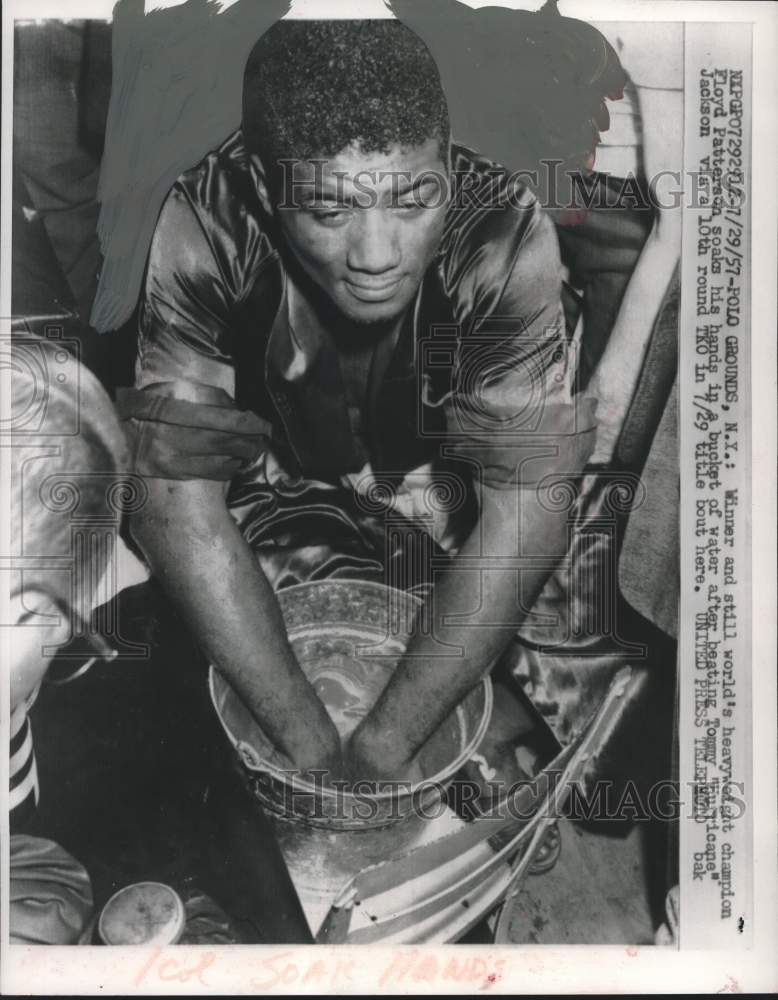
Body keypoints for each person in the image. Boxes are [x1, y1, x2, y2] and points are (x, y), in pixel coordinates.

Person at [119, 18, 597, 785]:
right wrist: (310, 747)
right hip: (284, 479)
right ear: (266, 189)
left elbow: (527, 514)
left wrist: (380, 749)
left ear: (448, 163)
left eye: (413, 200)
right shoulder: (207, 216)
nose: (376, 255)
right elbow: (174, 503)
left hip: (452, 479)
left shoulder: (499, 223)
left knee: (539, 726)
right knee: (207, 731)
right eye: (330, 211)